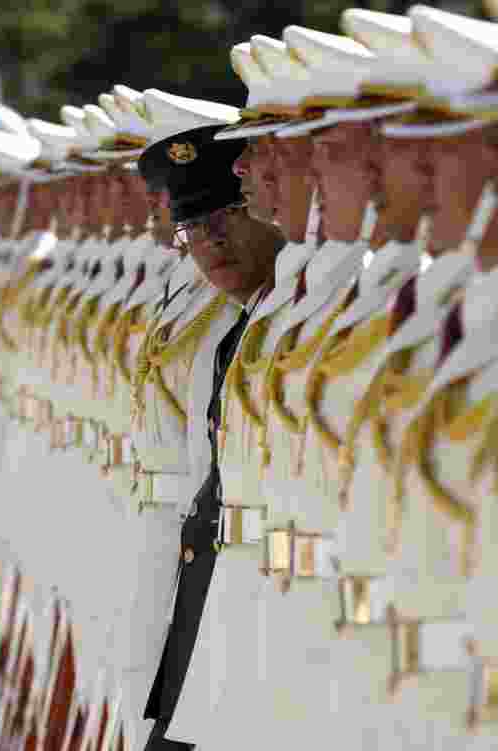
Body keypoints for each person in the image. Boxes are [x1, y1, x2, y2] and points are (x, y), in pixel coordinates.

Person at [135, 123, 282, 751]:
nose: (208, 244)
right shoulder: (229, 326)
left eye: (224, 219)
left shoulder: (273, 321)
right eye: (191, 230)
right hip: (210, 582)